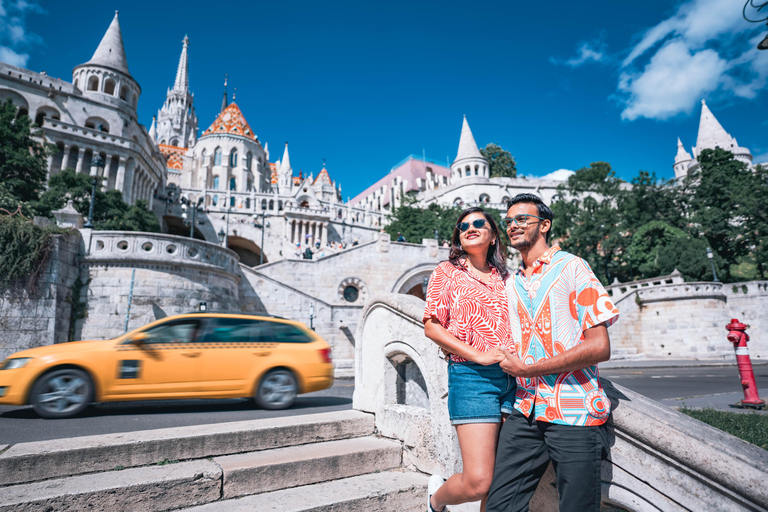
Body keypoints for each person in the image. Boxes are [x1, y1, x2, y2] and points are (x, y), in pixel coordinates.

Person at [486, 193, 620, 512]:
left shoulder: (572, 267)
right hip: (526, 410)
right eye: (509, 221)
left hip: (573, 410)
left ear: (544, 225)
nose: (513, 226)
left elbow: (600, 346)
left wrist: (530, 369)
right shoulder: (511, 284)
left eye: (523, 219)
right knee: (498, 505)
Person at [423, 207, 516, 512]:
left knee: (502, 477)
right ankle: (436, 501)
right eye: (463, 226)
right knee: (479, 481)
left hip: (514, 378)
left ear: (493, 236)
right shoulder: (447, 271)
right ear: (459, 239)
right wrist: (479, 354)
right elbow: (432, 326)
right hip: (471, 377)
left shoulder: (508, 278)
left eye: (479, 223)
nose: (470, 228)